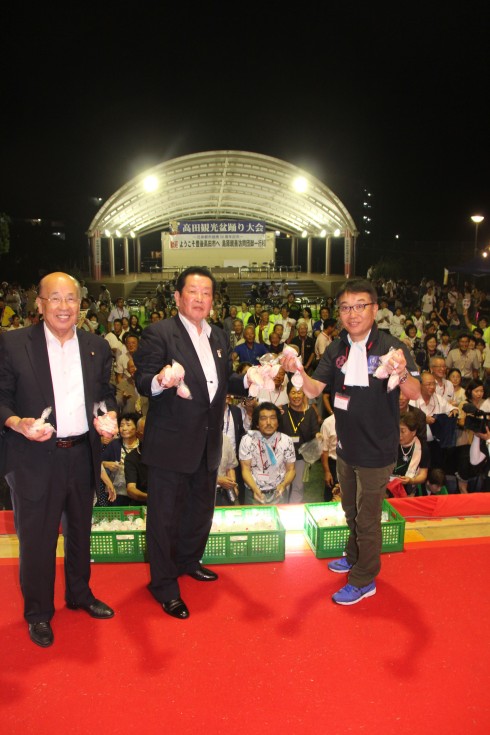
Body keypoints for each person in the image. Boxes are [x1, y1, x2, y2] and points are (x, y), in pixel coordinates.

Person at [281, 278, 421, 605]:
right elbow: (315, 389)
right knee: (350, 509)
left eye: (360, 306)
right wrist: (297, 372)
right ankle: (354, 553)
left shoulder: (390, 346)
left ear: (374, 309)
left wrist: (400, 372)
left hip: (376, 449)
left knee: (367, 518)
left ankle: (363, 579)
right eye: (345, 307)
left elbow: (415, 393)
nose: (352, 314)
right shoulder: (337, 347)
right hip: (345, 446)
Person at [0, 272, 118, 648]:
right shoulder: (13, 344)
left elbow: (105, 395)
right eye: (55, 299)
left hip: (82, 454)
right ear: (39, 304)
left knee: (81, 533)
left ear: (80, 305)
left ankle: (80, 594)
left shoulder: (96, 345)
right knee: (37, 540)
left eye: (71, 299)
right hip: (34, 457)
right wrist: (17, 423)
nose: (64, 307)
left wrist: (107, 417)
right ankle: (38, 613)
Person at [133, 266, 245, 620]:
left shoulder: (219, 336)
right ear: (178, 297)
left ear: (214, 299)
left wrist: (252, 380)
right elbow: (143, 381)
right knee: (164, 519)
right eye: (193, 292)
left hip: (208, 443)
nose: (200, 299)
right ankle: (164, 585)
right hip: (171, 445)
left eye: (206, 293)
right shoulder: (159, 333)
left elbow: (223, 382)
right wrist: (162, 380)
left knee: (200, 512)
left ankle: (189, 561)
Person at [239, 402, 296, 505]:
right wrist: (255, 489)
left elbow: (291, 469)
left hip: (279, 493)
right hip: (254, 492)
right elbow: (245, 469)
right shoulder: (247, 440)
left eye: (273, 418)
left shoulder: (286, 440)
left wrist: (283, 485)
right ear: (257, 423)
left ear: (278, 422)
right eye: (263, 418)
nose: (268, 422)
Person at [279, 384, 319, 503]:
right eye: (293, 392)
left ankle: (293, 511)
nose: (296, 396)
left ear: (304, 394)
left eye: (299, 392)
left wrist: (318, 436)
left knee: (298, 486)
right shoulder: (282, 410)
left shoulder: (310, 411)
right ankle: (281, 507)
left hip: (300, 456)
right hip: (282, 456)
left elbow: (315, 430)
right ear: (288, 394)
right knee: (282, 484)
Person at [125, 416, 148, 504]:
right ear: (138, 435)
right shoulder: (132, 458)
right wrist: (150, 497)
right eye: (147, 432)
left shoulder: (166, 454)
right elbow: (131, 489)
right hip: (142, 504)